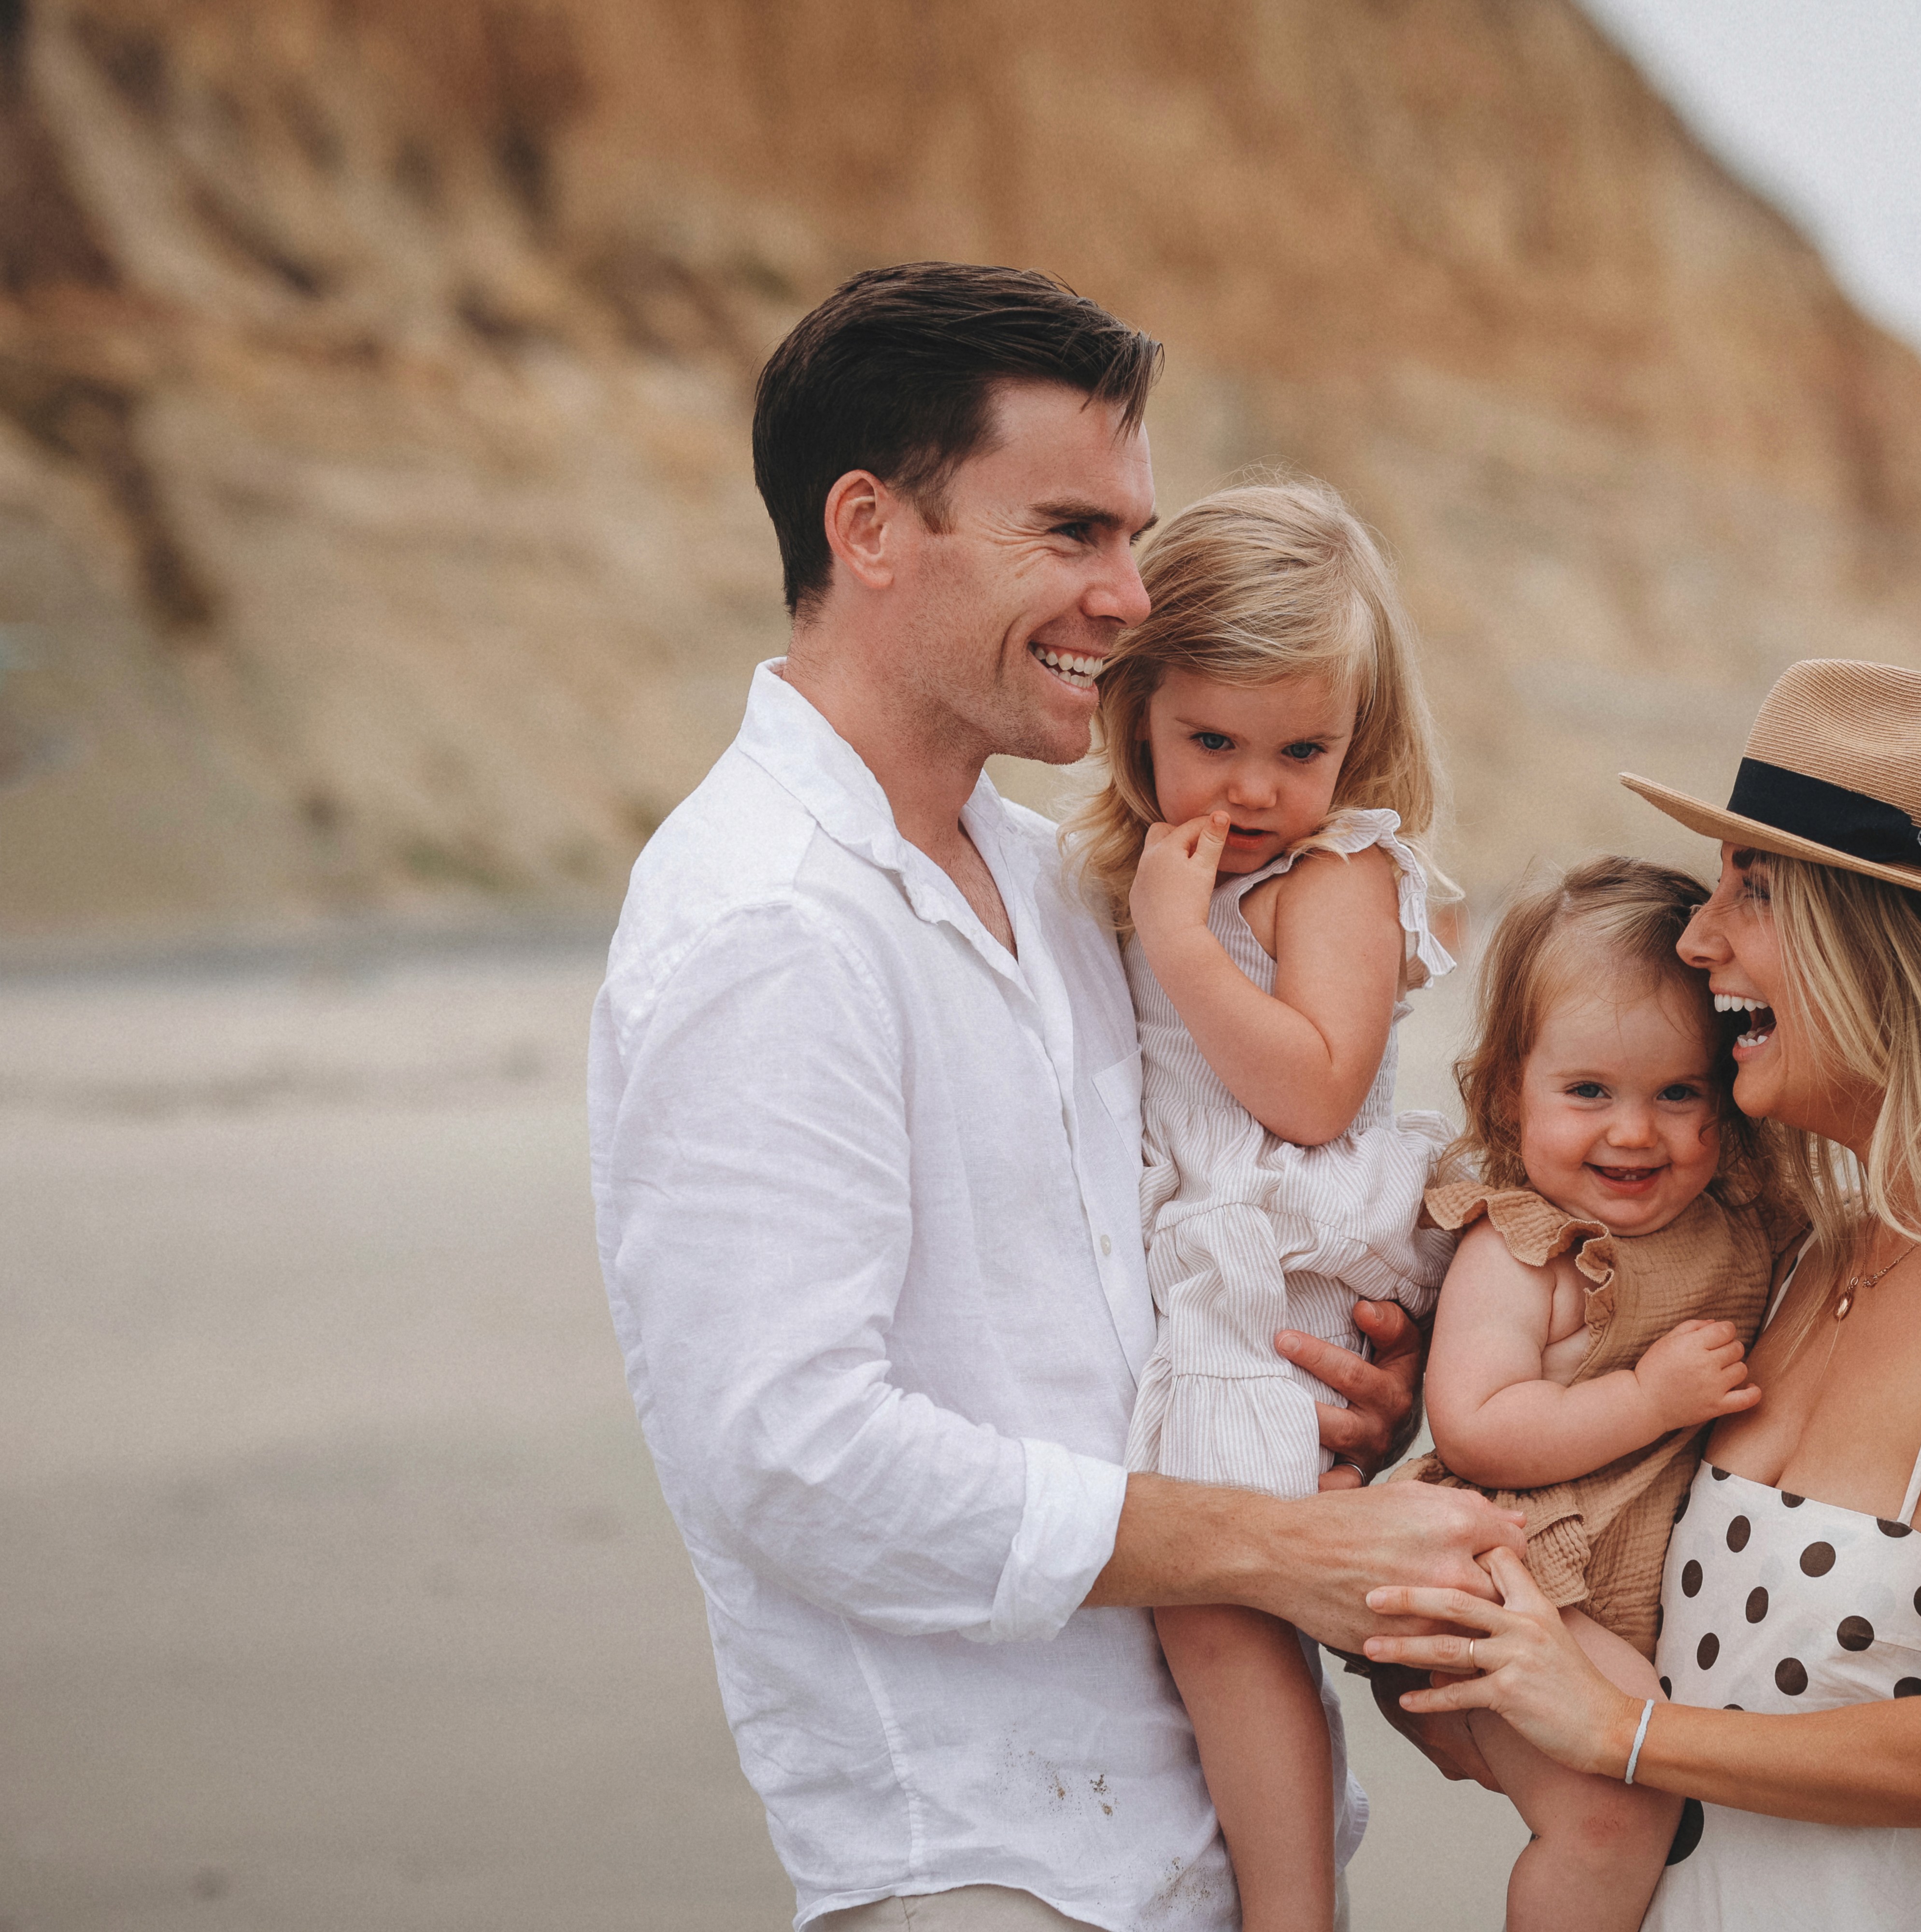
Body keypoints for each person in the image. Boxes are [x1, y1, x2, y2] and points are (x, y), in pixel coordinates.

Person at [587, 263, 1518, 1932]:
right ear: (869, 529)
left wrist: (1341, 1386)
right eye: (1073, 533)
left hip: (1202, 1841)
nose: (1129, 595)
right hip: (988, 1863)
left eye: (1134, 537)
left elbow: (1153, 1255)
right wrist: (1246, 1546)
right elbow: (788, 1457)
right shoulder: (769, 925)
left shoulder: (1071, 884)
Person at [1362, 660, 1921, 1929]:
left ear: (1891, 945)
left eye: (1752, 892)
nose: (1696, 937)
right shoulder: (1797, 1252)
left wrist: (1623, 1731)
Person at [1061, 479, 1462, 1931]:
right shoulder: (1139, 865)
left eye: (1303, 749)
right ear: (1138, 719)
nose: (1254, 790)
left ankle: (1294, 1915)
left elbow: (1313, 1089)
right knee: (1215, 1621)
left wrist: (1181, 945)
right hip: (1210, 1269)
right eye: (1210, 744)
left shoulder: (1333, 872)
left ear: (1358, 741)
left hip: (1280, 1272)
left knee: (1222, 1620)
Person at [1392, 856, 1800, 1930]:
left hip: (1611, 1584)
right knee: (1620, 1804)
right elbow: (1475, 1427)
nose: (1633, 1131)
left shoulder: (1737, 1224)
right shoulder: (1527, 1249)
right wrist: (1648, 1398)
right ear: (1504, 1094)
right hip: (1523, 1574)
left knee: (1656, 1794)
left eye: (1679, 1093)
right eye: (1588, 1092)